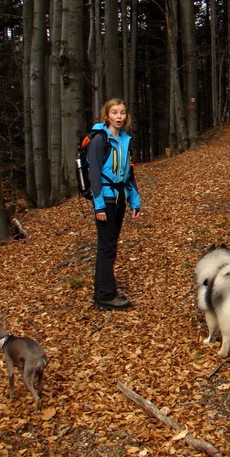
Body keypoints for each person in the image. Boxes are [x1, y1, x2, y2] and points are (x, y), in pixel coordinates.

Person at [88, 98, 141, 311]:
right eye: (114, 113)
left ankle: (104, 291)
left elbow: (129, 174)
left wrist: (134, 202)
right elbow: (93, 174)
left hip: (119, 198)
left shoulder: (124, 139)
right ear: (106, 115)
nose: (119, 117)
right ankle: (105, 296)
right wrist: (98, 206)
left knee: (110, 247)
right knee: (106, 248)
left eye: (122, 113)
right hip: (106, 199)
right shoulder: (101, 139)